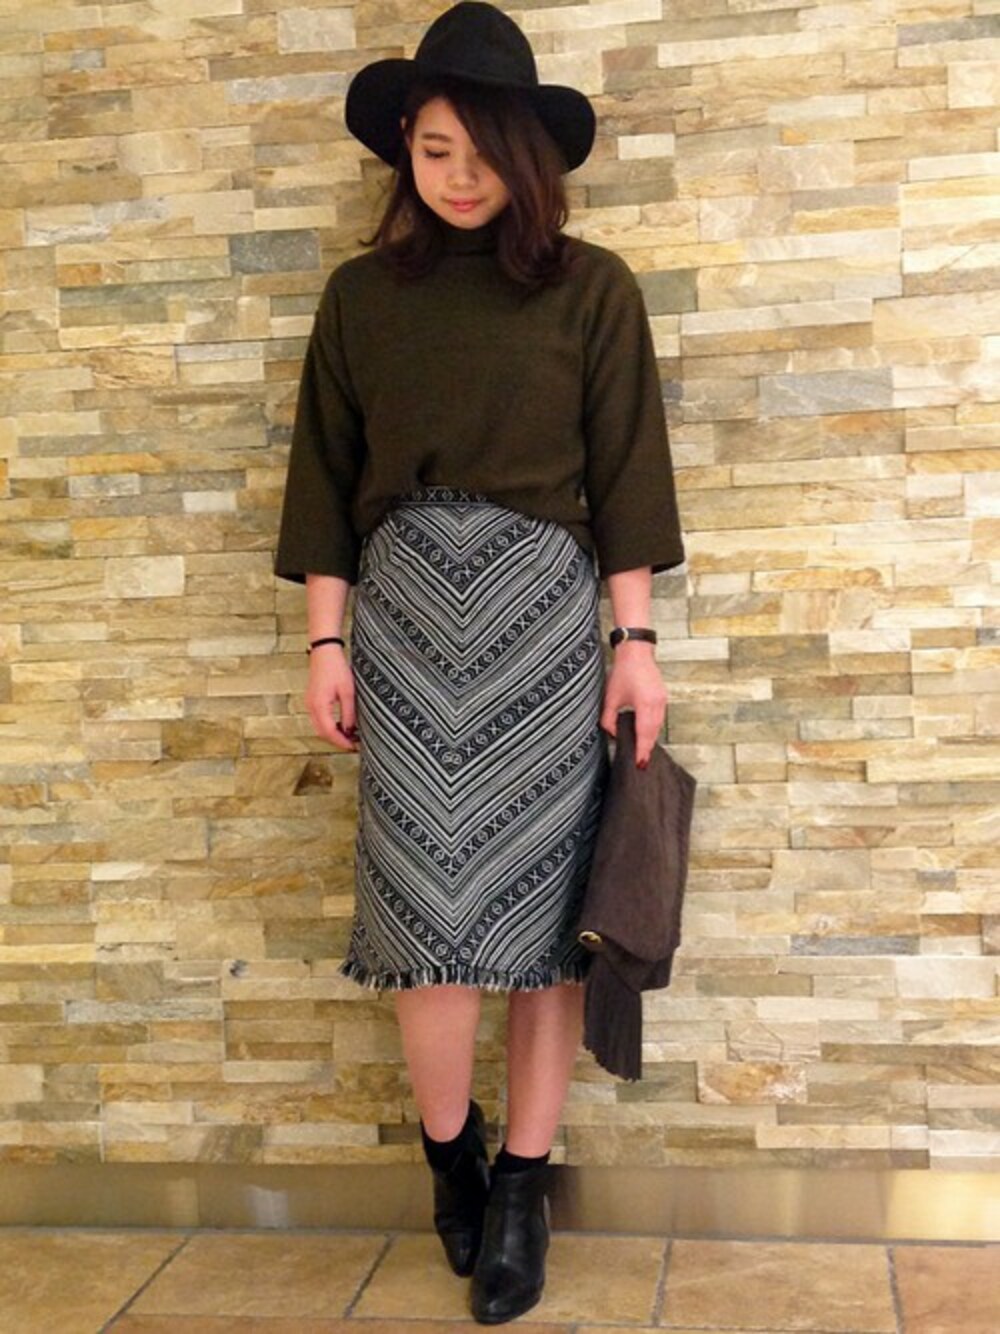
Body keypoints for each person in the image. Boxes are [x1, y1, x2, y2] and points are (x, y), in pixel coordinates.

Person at [273, 2, 685, 1323]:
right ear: (406, 145)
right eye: (436, 150)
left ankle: (522, 1184)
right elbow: (324, 481)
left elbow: (628, 476)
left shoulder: (592, 287)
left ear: (530, 156)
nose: (460, 177)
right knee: (427, 923)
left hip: (547, 631)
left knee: (543, 931)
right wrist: (324, 642)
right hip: (400, 629)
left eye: (485, 152)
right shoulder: (360, 299)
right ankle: (449, 1155)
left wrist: (635, 646)